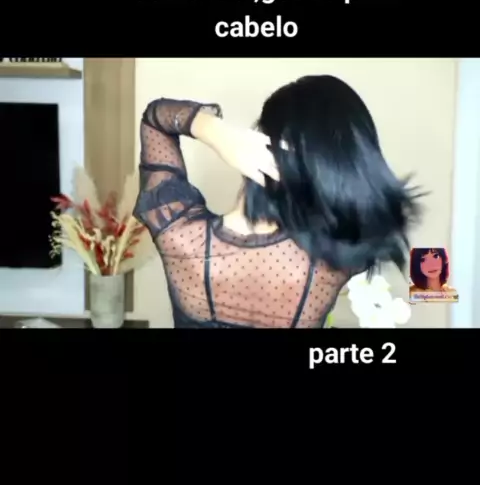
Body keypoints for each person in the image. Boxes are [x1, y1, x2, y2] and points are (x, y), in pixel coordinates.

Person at [133, 75, 421, 328]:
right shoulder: (333, 263)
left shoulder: (180, 235)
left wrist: (217, 133)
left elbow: (155, 120)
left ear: (257, 143)